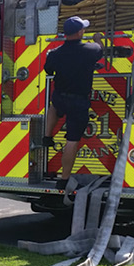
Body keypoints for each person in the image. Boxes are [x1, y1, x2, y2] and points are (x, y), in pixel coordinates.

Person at [42, 16, 104, 184]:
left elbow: (48, 70)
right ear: (80, 32)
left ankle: (47, 135)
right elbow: (100, 49)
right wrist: (98, 38)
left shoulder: (55, 54)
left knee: (54, 106)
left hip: (61, 96)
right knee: (72, 140)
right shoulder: (90, 50)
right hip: (78, 102)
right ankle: (64, 178)